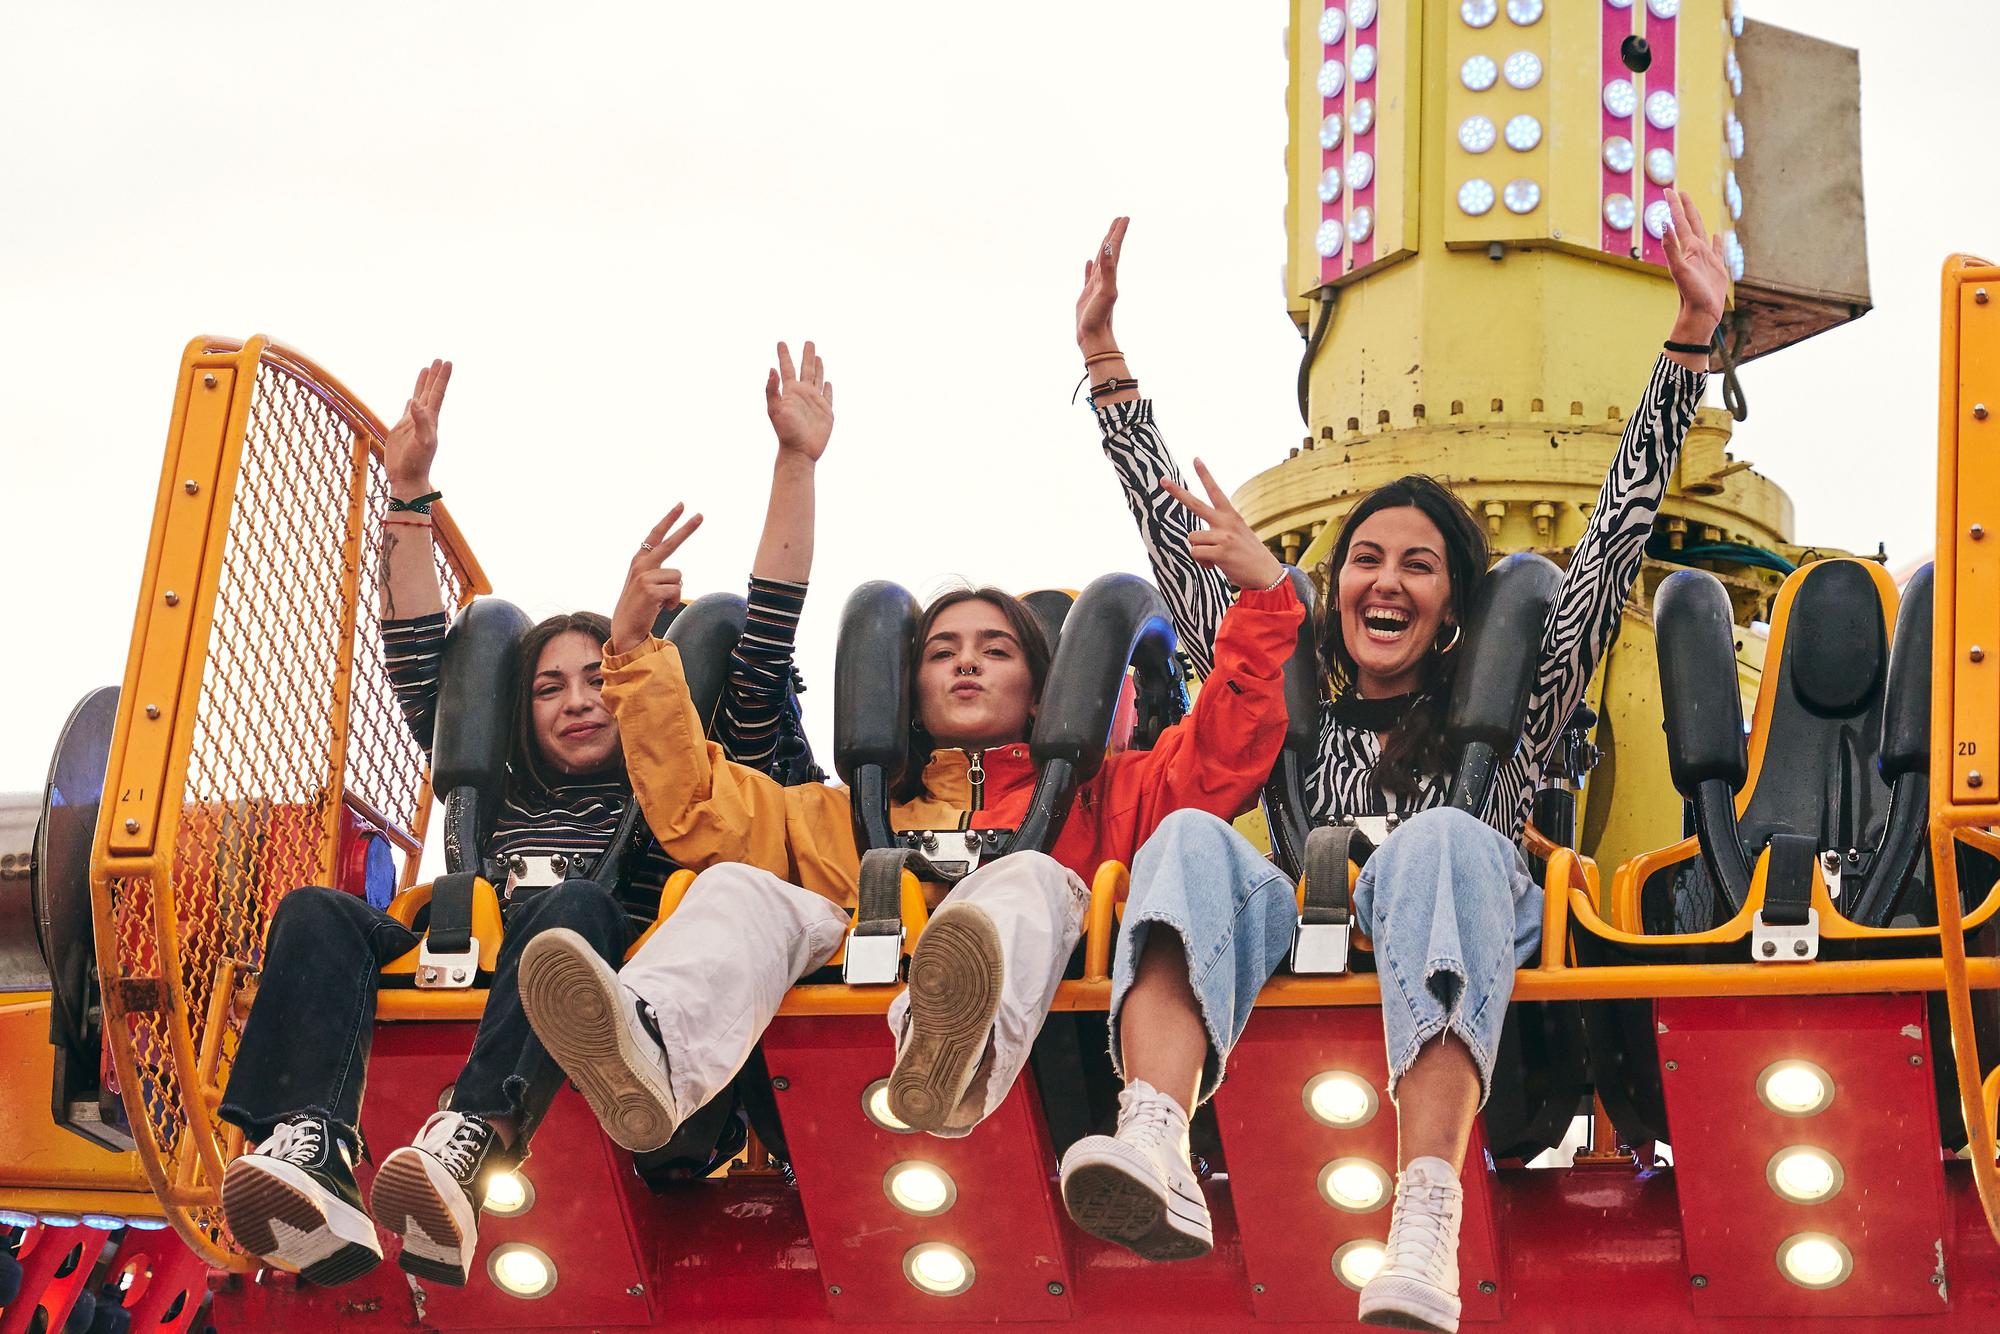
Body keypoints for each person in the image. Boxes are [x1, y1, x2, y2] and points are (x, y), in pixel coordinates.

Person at [1064, 195, 1728, 1331]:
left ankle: (1424, 1213)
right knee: (1186, 837)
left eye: (1418, 565)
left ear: (1453, 606)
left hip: (1460, 930)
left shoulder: (1512, 709)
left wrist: (1687, 344)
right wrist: (1107, 369)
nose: (1384, 580)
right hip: (1301, 940)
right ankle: (1155, 1138)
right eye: (1363, 557)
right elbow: (1181, 559)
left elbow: (1614, 533)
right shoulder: (1297, 700)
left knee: (1436, 839)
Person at [217, 344, 829, 1289]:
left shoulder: (678, 781)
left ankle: (475, 1133)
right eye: (550, 687)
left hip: (601, 986)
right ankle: (309, 1144)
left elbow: (765, 643)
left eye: (598, 679)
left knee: (572, 912)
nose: (581, 701)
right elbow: (422, 657)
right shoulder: (492, 791)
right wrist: (410, 495)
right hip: (464, 960)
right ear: (520, 713)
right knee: (314, 912)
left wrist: (795, 465)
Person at [513, 458, 1305, 1157]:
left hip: (1060, 1070)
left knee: (1029, 875)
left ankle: (956, 1052)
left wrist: (1266, 598)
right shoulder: (850, 819)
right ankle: (653, 1053)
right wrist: (632, 653)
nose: (966, 661)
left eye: (996, 650)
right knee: (732, 886)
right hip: (852, 1070)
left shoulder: (1111, 794)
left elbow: (1223, 754)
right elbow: (697, 808)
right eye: (941, 651)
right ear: (911, 695)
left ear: (1041, 694)